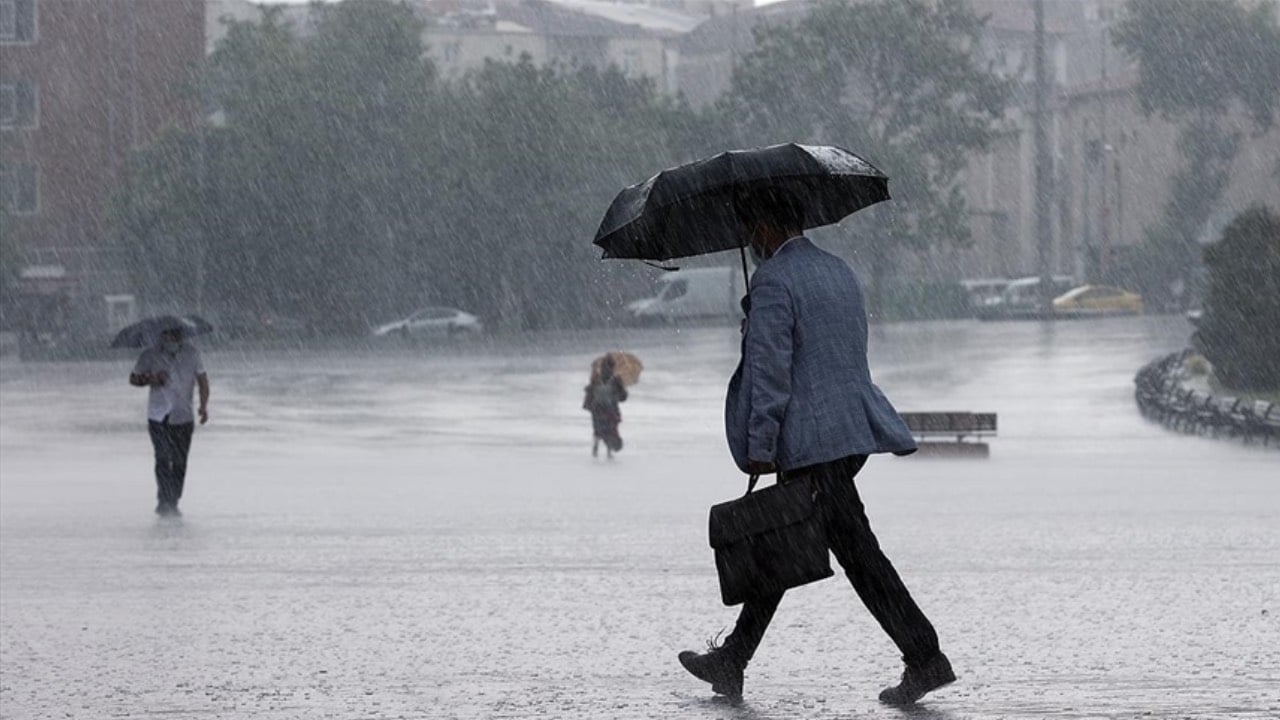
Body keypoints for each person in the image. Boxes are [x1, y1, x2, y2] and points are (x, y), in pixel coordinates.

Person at [677, 188, 953, 706]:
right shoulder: (838, 271)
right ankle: (733, 658)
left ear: (765, 226)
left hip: (810, 443)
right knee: (783, 541)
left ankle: (925, 656)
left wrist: (761, 444)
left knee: (855, 554)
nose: (748, 240)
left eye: (750, 229)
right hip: (847, 433)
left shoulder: (775, 281)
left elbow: (771, 374)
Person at [129, 326, 209, 516]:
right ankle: (164, 499)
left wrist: (204, 406)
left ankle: (174, 498)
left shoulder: (192, 354)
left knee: (180, 460)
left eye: (175, 336)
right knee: (163, 457)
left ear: (181, 336)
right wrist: (151, 378)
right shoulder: (149, 355)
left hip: (183, 415)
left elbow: (203, 381)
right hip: (158, 415)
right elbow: (133, 378)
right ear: (162, 335)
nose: (171, 340)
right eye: (167, 335)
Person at [583, 355, 628, 459]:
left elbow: (590, 391)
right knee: (610, 430)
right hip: (609, 409)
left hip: (598, 409)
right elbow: (623, 397)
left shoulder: (597, 378)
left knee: (599, 430)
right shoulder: (615, 380)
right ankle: (607, 451)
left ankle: (597, 447)